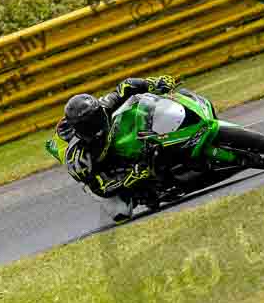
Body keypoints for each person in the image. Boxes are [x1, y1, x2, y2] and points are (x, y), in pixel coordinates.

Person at [45, 75, 178, 222]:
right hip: (90, 171)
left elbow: (127, 86)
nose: (96, 127)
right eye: (88, 127)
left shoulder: (102, 106)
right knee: (122, 214)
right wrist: (130, 178)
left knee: (131, 112)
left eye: (96, 119)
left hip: (94, 133)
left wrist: (154, 83)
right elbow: (100, 188)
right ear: (79, 131)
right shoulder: (78, 158)